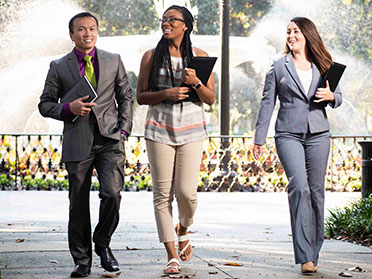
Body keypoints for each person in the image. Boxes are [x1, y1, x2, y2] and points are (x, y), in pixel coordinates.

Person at [38, 12, 133, 278]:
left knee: (112, 194)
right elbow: (45, 104)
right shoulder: (59, 66)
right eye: (81, 29)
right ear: (72, 35)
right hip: (77, 139)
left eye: (91, 28)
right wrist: (69, 108)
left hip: (111, 138)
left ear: (97, 32)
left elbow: (126, 96)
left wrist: (124, 128)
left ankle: (102, 243)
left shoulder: (113, 61)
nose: (87, 33)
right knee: (77, 203)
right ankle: (82, 260)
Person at [252, 17, 342, 274]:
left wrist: (331, 95)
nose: (291, 35)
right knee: (299, 188)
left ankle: (314, 251)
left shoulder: (325, 65)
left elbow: (339, 97)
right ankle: (304, 255)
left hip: (319, 135)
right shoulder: (278, 66)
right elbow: (267, 103)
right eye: (288, 31)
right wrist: (259, 138)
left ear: (307, 34)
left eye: (295, 31)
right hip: (288, 135)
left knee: (316, 192)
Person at [136, 5, 215, 274]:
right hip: (158, 131)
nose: (166, 23)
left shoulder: (201, 57)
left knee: (186, 193)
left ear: (186, 25)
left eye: (172, 19)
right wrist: (166, 93)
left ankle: (183, 227)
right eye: (164, 19)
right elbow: (141, 96)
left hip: (192, 131)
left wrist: (195, 83)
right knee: (162, 195)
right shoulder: (150, 57)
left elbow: (210, 98)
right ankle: (171, 254)